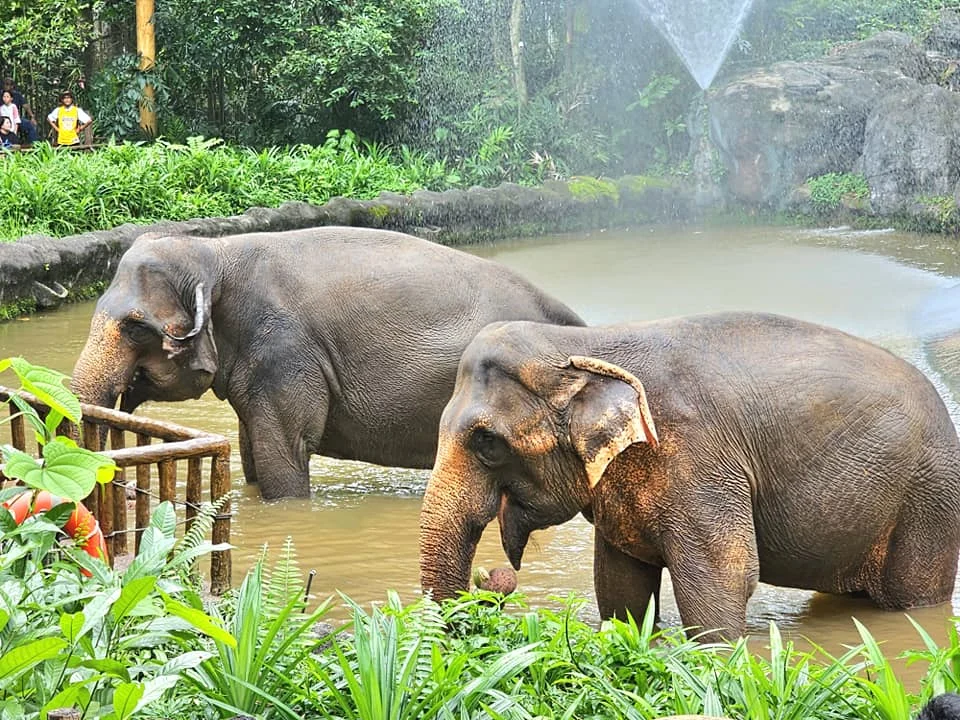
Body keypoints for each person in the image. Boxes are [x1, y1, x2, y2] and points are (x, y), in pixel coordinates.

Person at [2, 77, 37, 143]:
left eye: (8, 84)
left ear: (12, 86)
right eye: (5, 84)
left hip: (15, 118)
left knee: (29, 125)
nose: (6, 86)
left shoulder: (17, 95)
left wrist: (32, 116)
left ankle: (34, 145)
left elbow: (25, 105)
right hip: (2, 119)